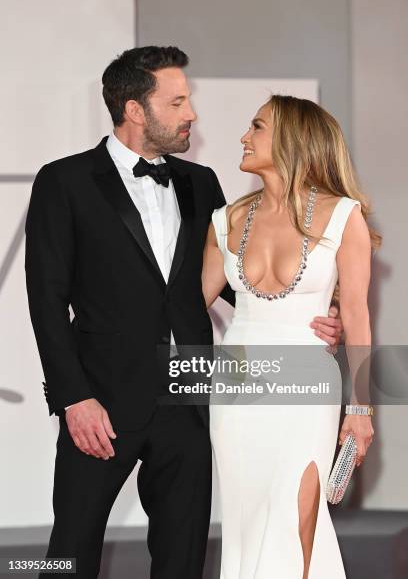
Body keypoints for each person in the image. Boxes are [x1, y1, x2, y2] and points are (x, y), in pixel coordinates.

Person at [25, 47, 342, 578]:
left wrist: (302, 312)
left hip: (191, 400)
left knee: (183, 556)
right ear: (133, 109)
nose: (190, 113)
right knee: (69, 549)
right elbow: (46, 301)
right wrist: (74, 397)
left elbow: (229, 284)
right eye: (176, 101)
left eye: (187, 99)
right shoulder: (65, 181)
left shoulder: (202, 184)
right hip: (100, 402)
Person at [202, 95, 379, 579]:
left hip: (306, 383)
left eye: (256, 127)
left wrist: (360, 409)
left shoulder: (344, 217)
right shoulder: (228, 219)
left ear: (292, 141)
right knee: (245, 519)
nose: (244, 136)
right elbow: (187, 307)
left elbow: (359, 316)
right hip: (237, 382)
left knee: (299, 513)